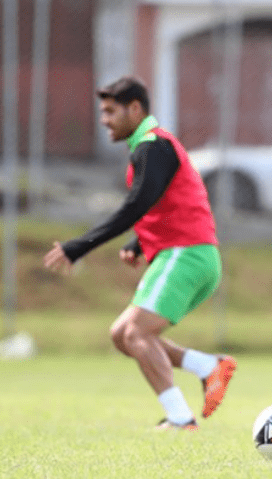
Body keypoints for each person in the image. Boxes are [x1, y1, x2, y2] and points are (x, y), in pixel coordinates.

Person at [43, 76, 237, 431]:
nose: (104, 120)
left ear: (135, 109)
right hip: (186, 254)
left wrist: (78, 246)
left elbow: (137, 204)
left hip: (187, 254)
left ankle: (180, 419)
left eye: (110, 112)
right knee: (123, 335)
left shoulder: (153, 146)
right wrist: (138, 242)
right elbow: (164, 201)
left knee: (135, 333)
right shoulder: (152, 146)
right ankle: (207, 367)